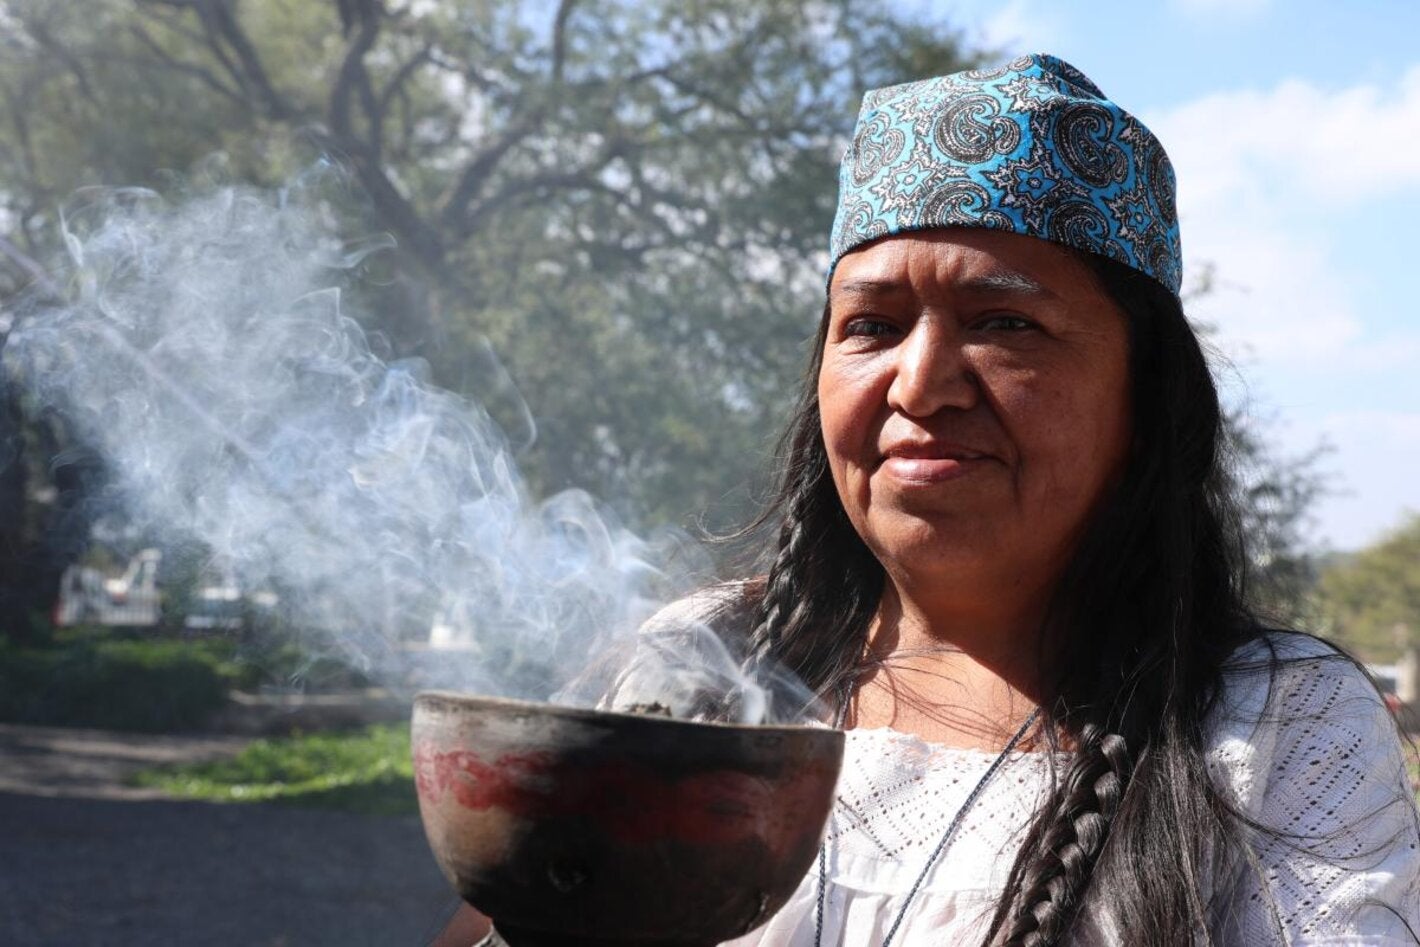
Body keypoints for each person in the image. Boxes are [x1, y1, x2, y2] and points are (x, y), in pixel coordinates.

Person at [435, 53, 1420, 945]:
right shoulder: (696, 665)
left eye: (1003, 322)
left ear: (1146, 397)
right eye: (871, 325)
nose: (920, 383)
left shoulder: (1278, 725)